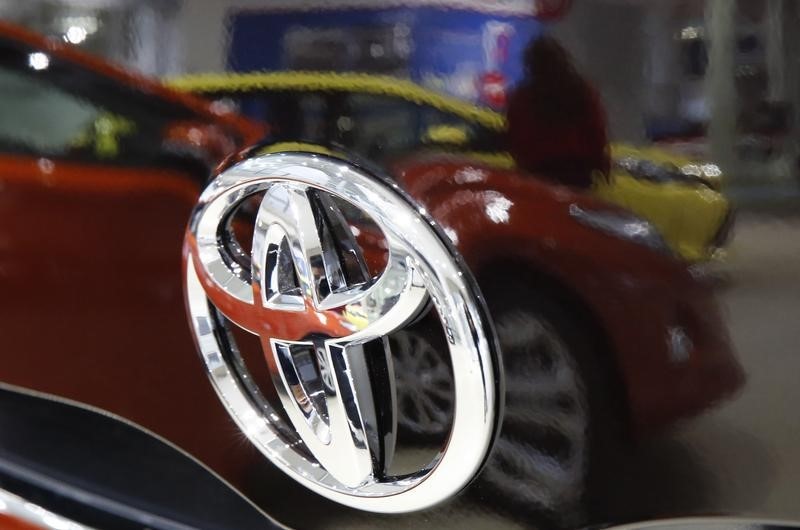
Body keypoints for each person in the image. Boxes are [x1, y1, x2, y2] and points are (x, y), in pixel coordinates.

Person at [506, 36, 610, 189]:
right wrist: (600, 165)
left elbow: (517, 135)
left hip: (537, 171)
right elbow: (596, 131)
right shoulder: (581, 92)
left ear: (531, 64)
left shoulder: (524, 96)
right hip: (577, 170)